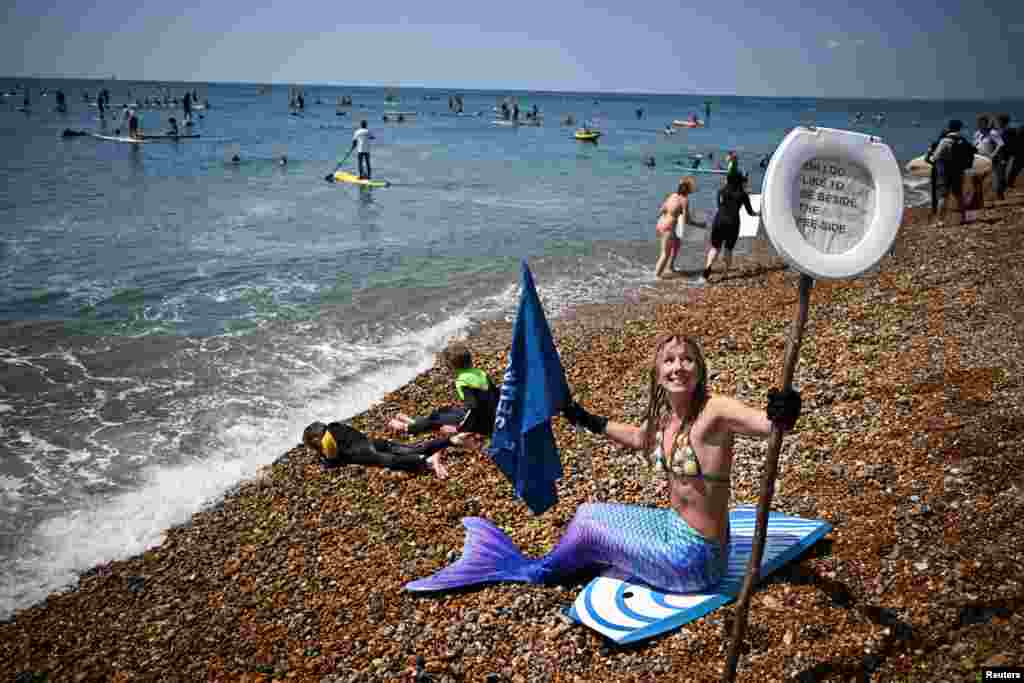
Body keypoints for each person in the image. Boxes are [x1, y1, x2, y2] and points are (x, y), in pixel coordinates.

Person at [406, 333, 802, 594]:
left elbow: (767, 426)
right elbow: (637, 438)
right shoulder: (665, 416)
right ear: (658, 372)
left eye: (687, 360)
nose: (678, 366)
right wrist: (584, 418)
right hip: (671, 527)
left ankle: (534, 572)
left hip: (698, 559)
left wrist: (782, 412)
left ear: (699, 370)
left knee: (589, 529)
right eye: (669, 360)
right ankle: (546, 562)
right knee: (587, 512)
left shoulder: (716, 410)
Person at [389, 343, 500, 437]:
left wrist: (459, 429)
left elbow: (474, 408)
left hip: (481, 423)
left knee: (434, 420)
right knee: (443, 412)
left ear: (450, 366)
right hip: (491, 416)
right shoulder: (480, 373)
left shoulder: (463, 382)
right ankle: (415, 422)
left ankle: (406, 427)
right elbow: (497, 395)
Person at [302, 421, 469, 480]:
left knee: (391, 461)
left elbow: (332, 460)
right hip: (375, 443)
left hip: (366, 453)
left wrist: (325, 460)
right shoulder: (337, 426)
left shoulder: (327, 443)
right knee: (413, 448)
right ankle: (451, 440)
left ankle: (427, 462)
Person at [701, 172, 758, 283]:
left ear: (728, 181)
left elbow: (719, 205)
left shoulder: (721, 191)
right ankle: (725, 273)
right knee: (728, 249)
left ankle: (707, 268)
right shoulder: (743, 194)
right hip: (733, 223)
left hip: (719, 220)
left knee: (715, 247)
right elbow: (750, 212)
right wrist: (759, 214)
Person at [655, 176, 704, 279]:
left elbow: (661, 210)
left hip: (661, 223)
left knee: (677, 242)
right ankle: (656, 277)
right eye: (691, 189)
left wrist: (671, 215)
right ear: (688, 190)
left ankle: (670, 267)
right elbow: (687, 221)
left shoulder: (672, 195)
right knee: (665, 254)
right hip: (668, 227)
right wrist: (700, 225)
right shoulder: (684, 200)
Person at [932, 119, 974, 225]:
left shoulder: (945, 140)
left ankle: (941, 221)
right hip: (959, 171)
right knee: (959, 195)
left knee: (943, 196)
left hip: (945, 172)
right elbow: (972, 152)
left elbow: (936, 156)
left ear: (949, 127)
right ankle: (964, 218)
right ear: (960, 128)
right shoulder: (963, 140)